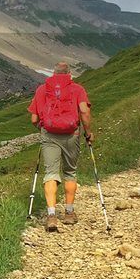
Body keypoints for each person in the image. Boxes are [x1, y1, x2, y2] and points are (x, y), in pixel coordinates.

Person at [28, 61, 93, 232]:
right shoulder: (77, 89)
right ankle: (69, 213)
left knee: (51, 173)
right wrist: (88, 133)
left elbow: (34, 119)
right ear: (69, 74)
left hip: (49, 135)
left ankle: (51, 216)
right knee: (70, 172)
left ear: (53, 74)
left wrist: (43, 129)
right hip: (72, 135)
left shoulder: (43, 89)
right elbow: (84, 112)